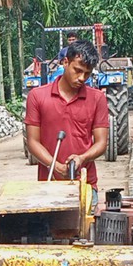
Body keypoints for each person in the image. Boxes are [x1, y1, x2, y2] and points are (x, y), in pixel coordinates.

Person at [24, 37, 109, 185]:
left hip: (85, 184)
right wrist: (56, 166)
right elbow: (32, 142)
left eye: (87, 73)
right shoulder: (36, 96)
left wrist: (82, 158)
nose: (82, 78)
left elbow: (101, 142)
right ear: (65, 62)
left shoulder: (97, 98)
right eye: (77, 70)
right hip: (48, 185)